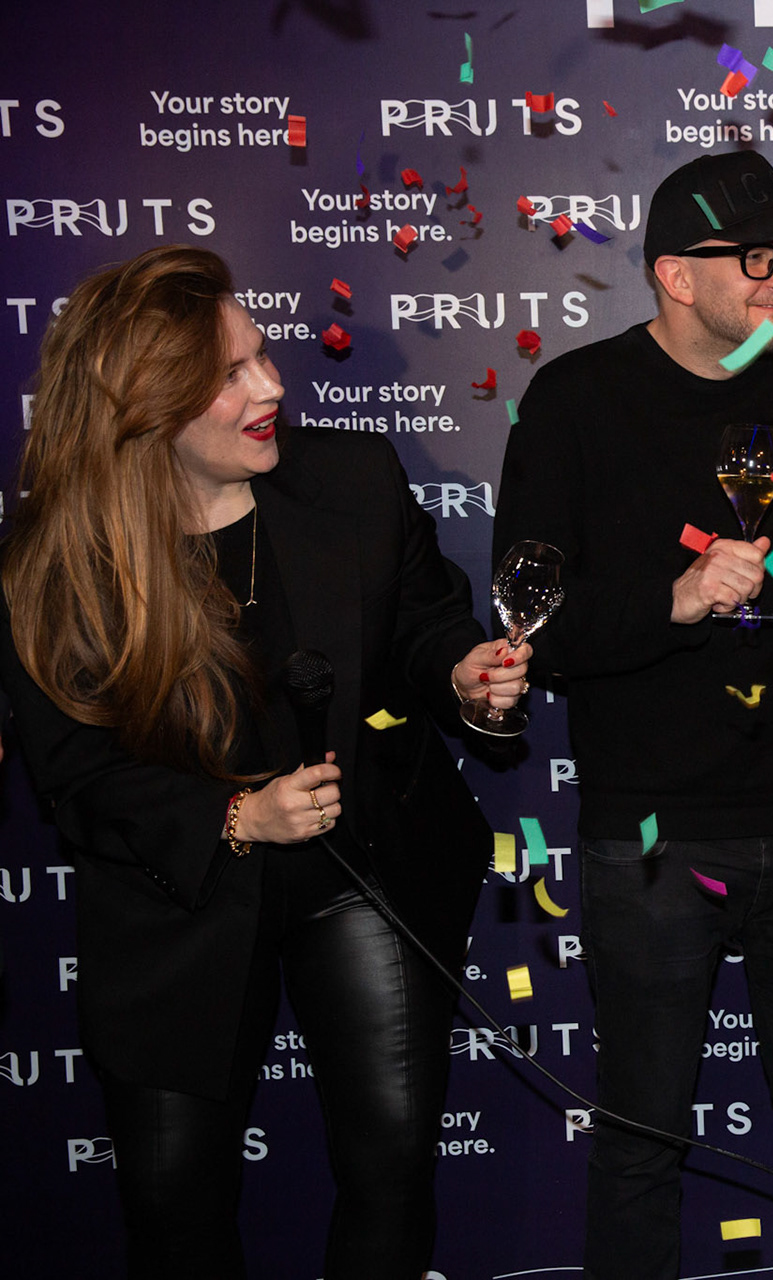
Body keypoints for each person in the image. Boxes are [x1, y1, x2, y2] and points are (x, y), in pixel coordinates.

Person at [0, 246, 526, 1278]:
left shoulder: (352, 479)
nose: (272, 386)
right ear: (145, 408)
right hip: (177, 900)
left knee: (391, 1168)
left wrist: (462, 672)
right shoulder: (60, 563)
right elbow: (79, 777)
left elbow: (422, 624)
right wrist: (240, 817)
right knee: (174, 1204)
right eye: (230, 373)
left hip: (360, 864)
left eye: (263, 354)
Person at [491, 151, 773, 1280]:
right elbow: (532, 623)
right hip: (653, 835)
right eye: (762, 258)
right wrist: (676, 601)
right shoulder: (577, 400)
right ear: (676, 275)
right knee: (643, 1131)